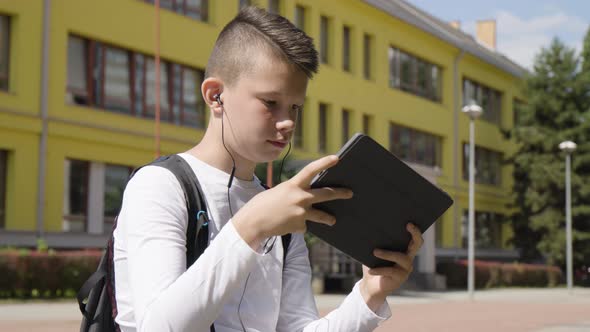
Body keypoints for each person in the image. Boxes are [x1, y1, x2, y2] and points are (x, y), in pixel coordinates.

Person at [113, 6, 424, 332]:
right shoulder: (160, 186)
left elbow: (296, 327)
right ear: (215, 95)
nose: (288, 121)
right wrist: (251, 227)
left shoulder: (282, 211)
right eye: (270, 102)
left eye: (294, 107)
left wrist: (370, 295)